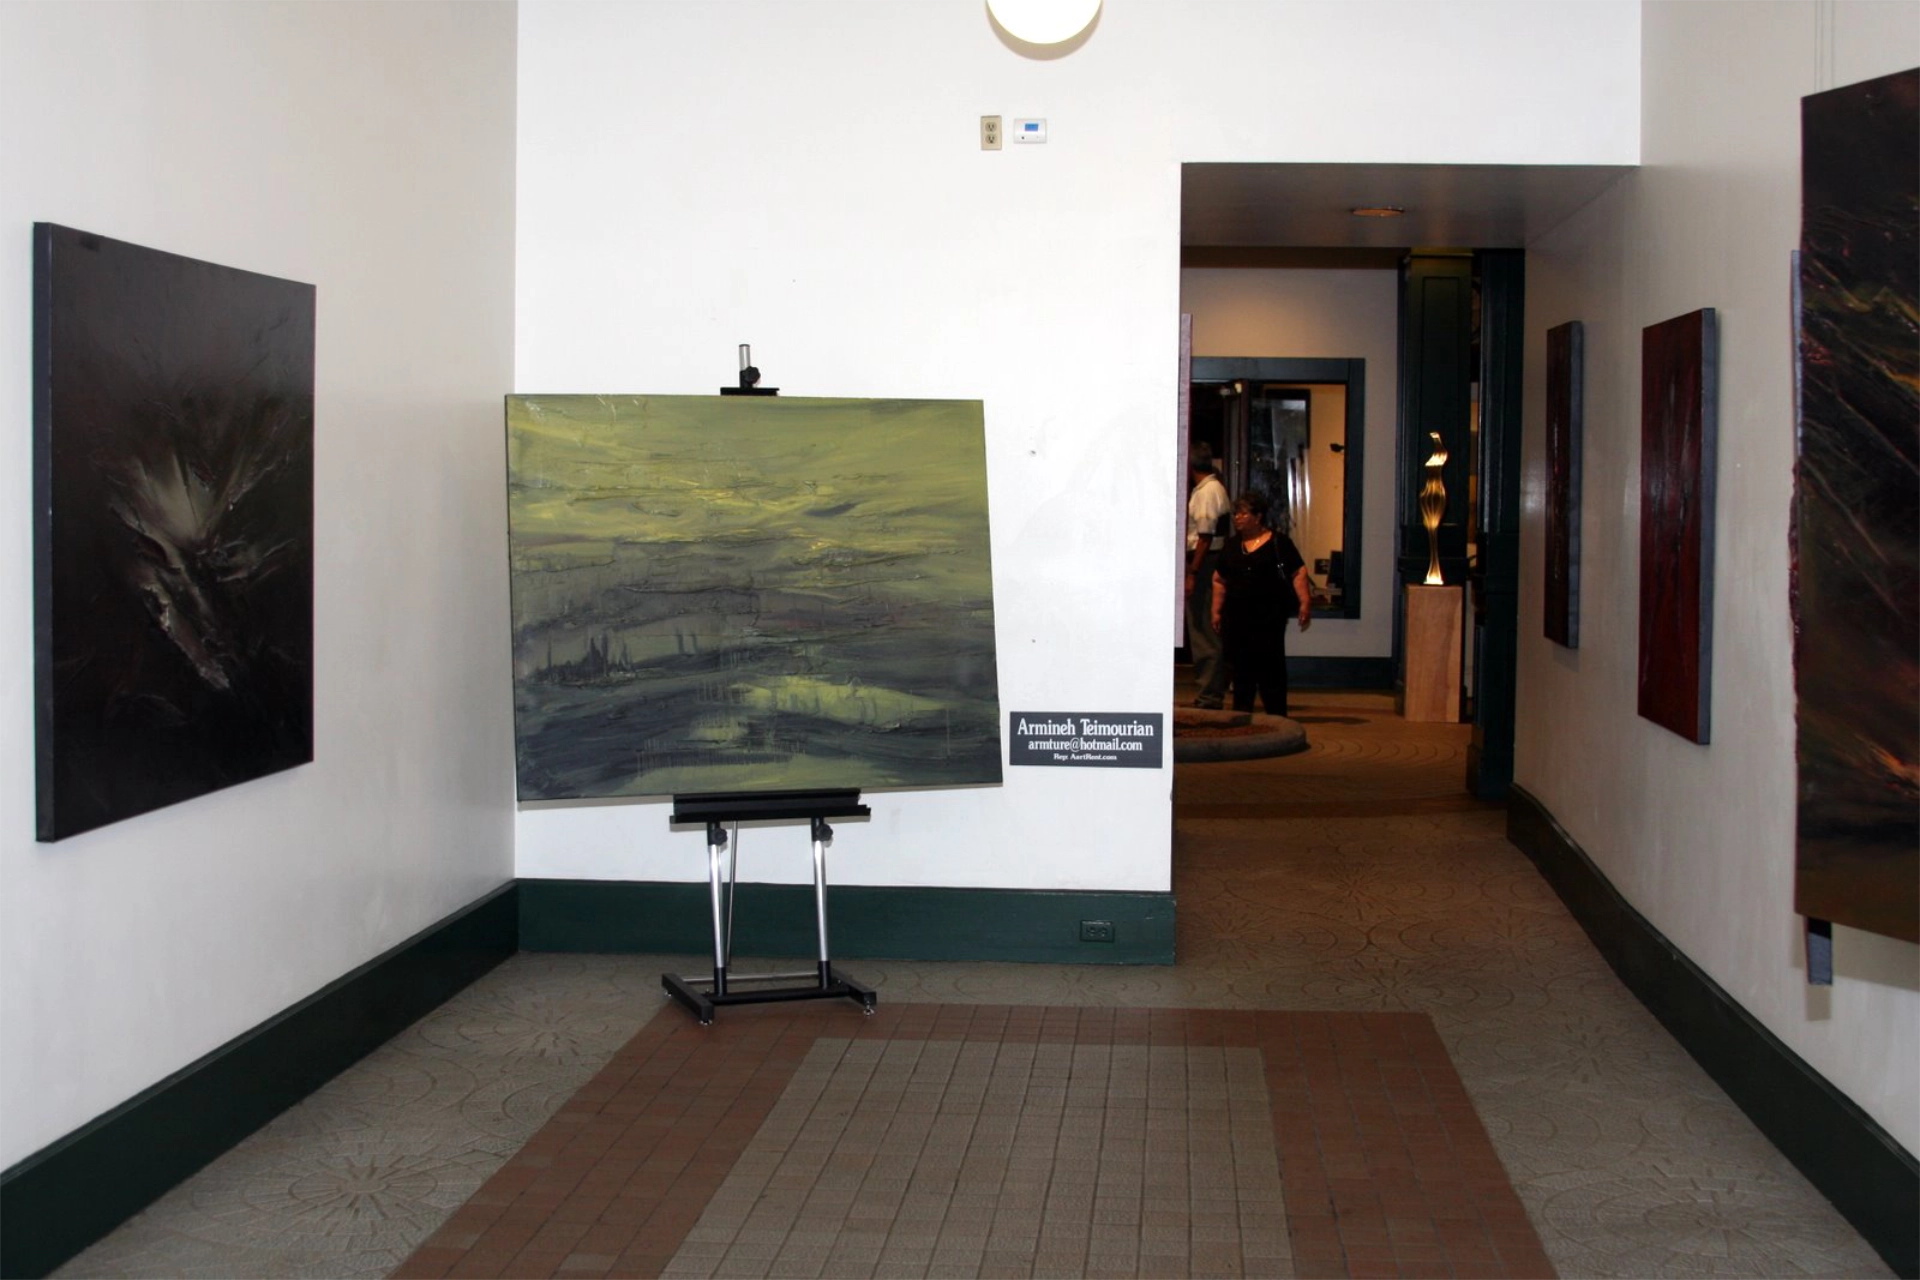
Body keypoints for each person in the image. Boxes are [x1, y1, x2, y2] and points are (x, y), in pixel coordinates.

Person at [1211, 490, 1312, 716]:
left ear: (1258, 517)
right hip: (1237, 617)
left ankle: (1277, 717)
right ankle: (1241, 715)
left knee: (1271, 667)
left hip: (1269, 616)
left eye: (1243, 513)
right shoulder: (1232, 545)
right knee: (1241, 669)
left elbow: (1298, 572)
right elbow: (1219, 579)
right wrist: (1216, 611)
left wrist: (1304, 602)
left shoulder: (1279, 543)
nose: (1237, 518)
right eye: (1235, 514)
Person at [1185, 444, 1233, 708]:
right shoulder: (1212, 488)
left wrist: (1193, 572)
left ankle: (1210, 695)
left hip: (1205, 561)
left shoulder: (1207, 492)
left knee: (1203, 629)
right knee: (1204, 628)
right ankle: (1210, 692)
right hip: (1208, 559)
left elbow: (1205, 536)